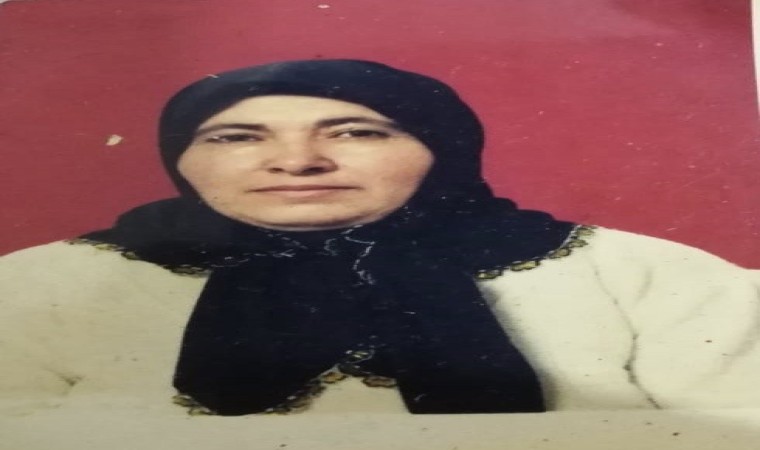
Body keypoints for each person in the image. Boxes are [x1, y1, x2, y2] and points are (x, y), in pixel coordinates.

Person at [1, 59, 759, 417]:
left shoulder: (635, 271)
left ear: (445, 150)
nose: (297, 162)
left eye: (356, 132)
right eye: (237, 137)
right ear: (180, 158)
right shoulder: (43, 285)